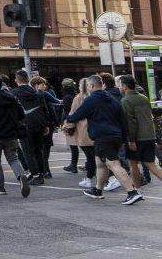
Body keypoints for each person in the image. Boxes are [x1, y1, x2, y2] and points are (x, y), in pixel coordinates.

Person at [65, 75, 142, 205]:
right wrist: (124, 138)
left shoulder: (91, 99)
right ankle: (97, 190)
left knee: (113, 164)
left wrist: (68, 118)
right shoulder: (112, 99)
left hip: (103, 136)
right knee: (100, 164)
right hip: (115, 136)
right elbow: (123, 120)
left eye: (88, 85)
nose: (88, 88)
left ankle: (132, 192)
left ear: (92, 86)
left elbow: (77, 116)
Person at [0, 74, 31, 197]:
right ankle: (21, 175)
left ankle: (0, 187)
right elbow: (21, 115)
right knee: (13, 158)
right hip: (11, 134)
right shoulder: (12, 97)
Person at [119, 75, 162, 188]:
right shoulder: (143, 97)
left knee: (133, 164)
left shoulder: (126, 100)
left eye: (120, 85)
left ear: (124, 87)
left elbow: (131, 122)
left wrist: (131, 140)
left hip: (138, 138)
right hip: (149, 135)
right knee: (152, 165)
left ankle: (136, 190)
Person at [59, 78, 80, 173]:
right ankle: (74, 165)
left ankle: (73, 165)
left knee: (73, 145)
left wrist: (65, 122)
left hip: (70, 121)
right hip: (76, 121)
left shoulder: (67, 97)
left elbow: (67, 110)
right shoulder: (75, 95)